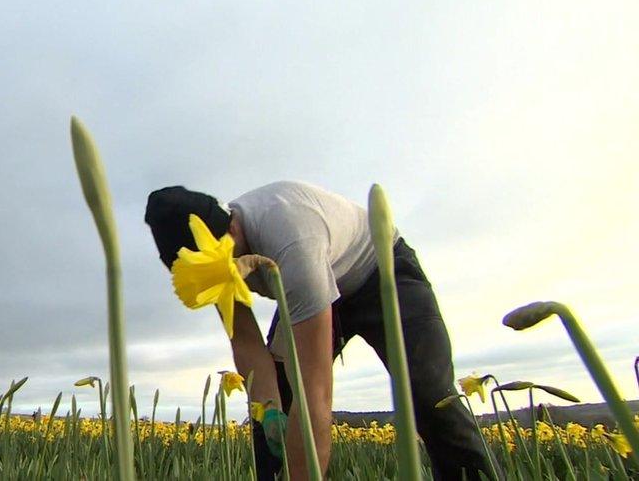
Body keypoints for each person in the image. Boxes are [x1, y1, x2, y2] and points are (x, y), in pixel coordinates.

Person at [144, 180, 497, 480]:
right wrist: (268, 411)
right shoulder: (209, 264)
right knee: (275, 403)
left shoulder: (291, 241)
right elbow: (247, 344)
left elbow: (315, 394)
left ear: (232, 228)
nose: (229, 276)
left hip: (382, 272)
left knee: (429, 394)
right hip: (308, 287)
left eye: (225, 264)